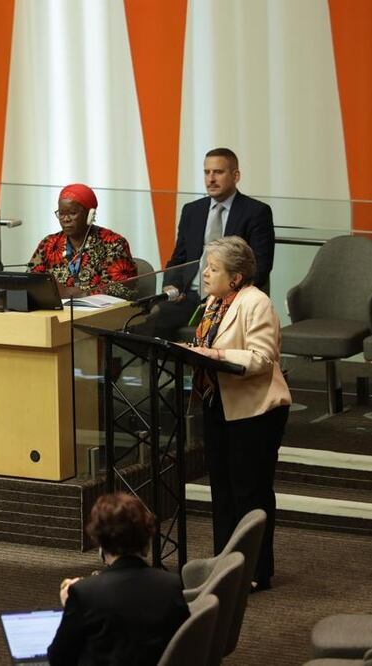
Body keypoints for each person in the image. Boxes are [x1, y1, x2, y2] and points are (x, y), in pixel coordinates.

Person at [189, 236, 291, 591]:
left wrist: (215, 357)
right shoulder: (214, 303)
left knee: (250, 492)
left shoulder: (256, 303)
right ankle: (225, 564)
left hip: (255, 411)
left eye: (213, 268)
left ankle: (255, 571)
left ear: (235, 277)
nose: (205, 273)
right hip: (218, 403)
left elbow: (262, 359)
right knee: (223, 490)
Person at [47, 493, 189, 666]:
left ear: (100, 543)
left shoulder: (85, 593)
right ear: (146, 540)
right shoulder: (172, 584)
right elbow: (185, 647)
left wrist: (70, 607)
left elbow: (59, 658)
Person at [152, 148, 275, 339]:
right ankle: (155, 368)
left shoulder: (256, 212)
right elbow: (179, 258)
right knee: (149, 317)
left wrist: (230, 292)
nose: (211, 179)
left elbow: (261, 266)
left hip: (230, 297)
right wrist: (172, 287)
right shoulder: (192, 210)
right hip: (190, 297)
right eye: (207, 172)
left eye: (218, 172)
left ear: (236, 176)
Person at [27, 183, 136, 300]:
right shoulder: (49, 243)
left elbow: (120, 289)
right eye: (61, 213)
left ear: (90, 214)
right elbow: (30, 282)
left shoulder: (113, 243)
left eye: (73, 213)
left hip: (99, 315)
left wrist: (71, 293)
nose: (66, 219)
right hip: (56, 313)